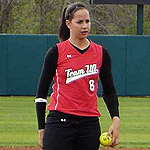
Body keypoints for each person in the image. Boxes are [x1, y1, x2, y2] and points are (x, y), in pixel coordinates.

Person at [35, 2, 120, 150]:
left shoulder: (101, 53)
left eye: (87, 21)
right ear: (68, 23)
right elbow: (41, 94)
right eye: (79, 22)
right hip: (60, 122)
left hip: (89, 124)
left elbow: (109, 91)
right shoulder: (56, 52)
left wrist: (115, 119)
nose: (85, 26)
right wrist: (41, 128)